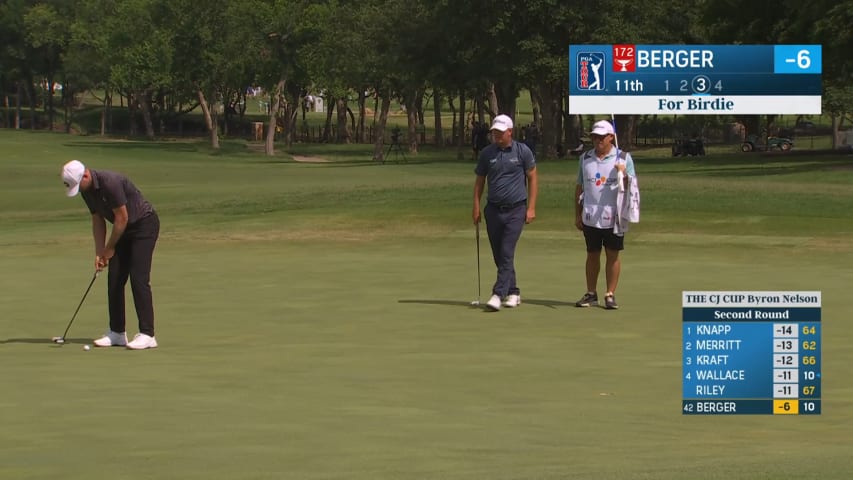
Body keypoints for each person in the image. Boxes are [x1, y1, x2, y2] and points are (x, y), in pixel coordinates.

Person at [61, 160, 160, 349]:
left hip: (143, 225)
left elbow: (122, 218)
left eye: (77, 185)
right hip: (122, 229)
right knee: (114, 278)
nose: (78, 190)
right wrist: (100, 253)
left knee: (138, 278)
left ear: (86, 175)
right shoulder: (86, 191)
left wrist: (109, 248)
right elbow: (97, 219)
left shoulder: (110, 182)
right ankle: (117, 333)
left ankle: (148, 334)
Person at [472, 114, 538, 311]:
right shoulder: (487, 153)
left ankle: (498, 294)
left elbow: (533, 178)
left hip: (516, 209)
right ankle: (514, 291)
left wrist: (532, 207)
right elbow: (479, 182)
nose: (497, 135)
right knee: (499, 255)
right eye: (495, 132)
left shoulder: (522, 151)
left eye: (500, 132)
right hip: (493, 210)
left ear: (510, 132)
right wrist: (476, 206)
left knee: (507, 252)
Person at [574, 120, 636, 310]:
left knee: (612, 255)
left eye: (602, 136)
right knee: (592, 254)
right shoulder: (585, 158)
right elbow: (579, 187)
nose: (598, 140)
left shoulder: (624, 158)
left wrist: (624, 175)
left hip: (614, 216)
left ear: (611, 137)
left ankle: (610, 294)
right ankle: (591, 293)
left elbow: (633, 189)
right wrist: (577, 214)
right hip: (591, 215)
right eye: (594, 136)